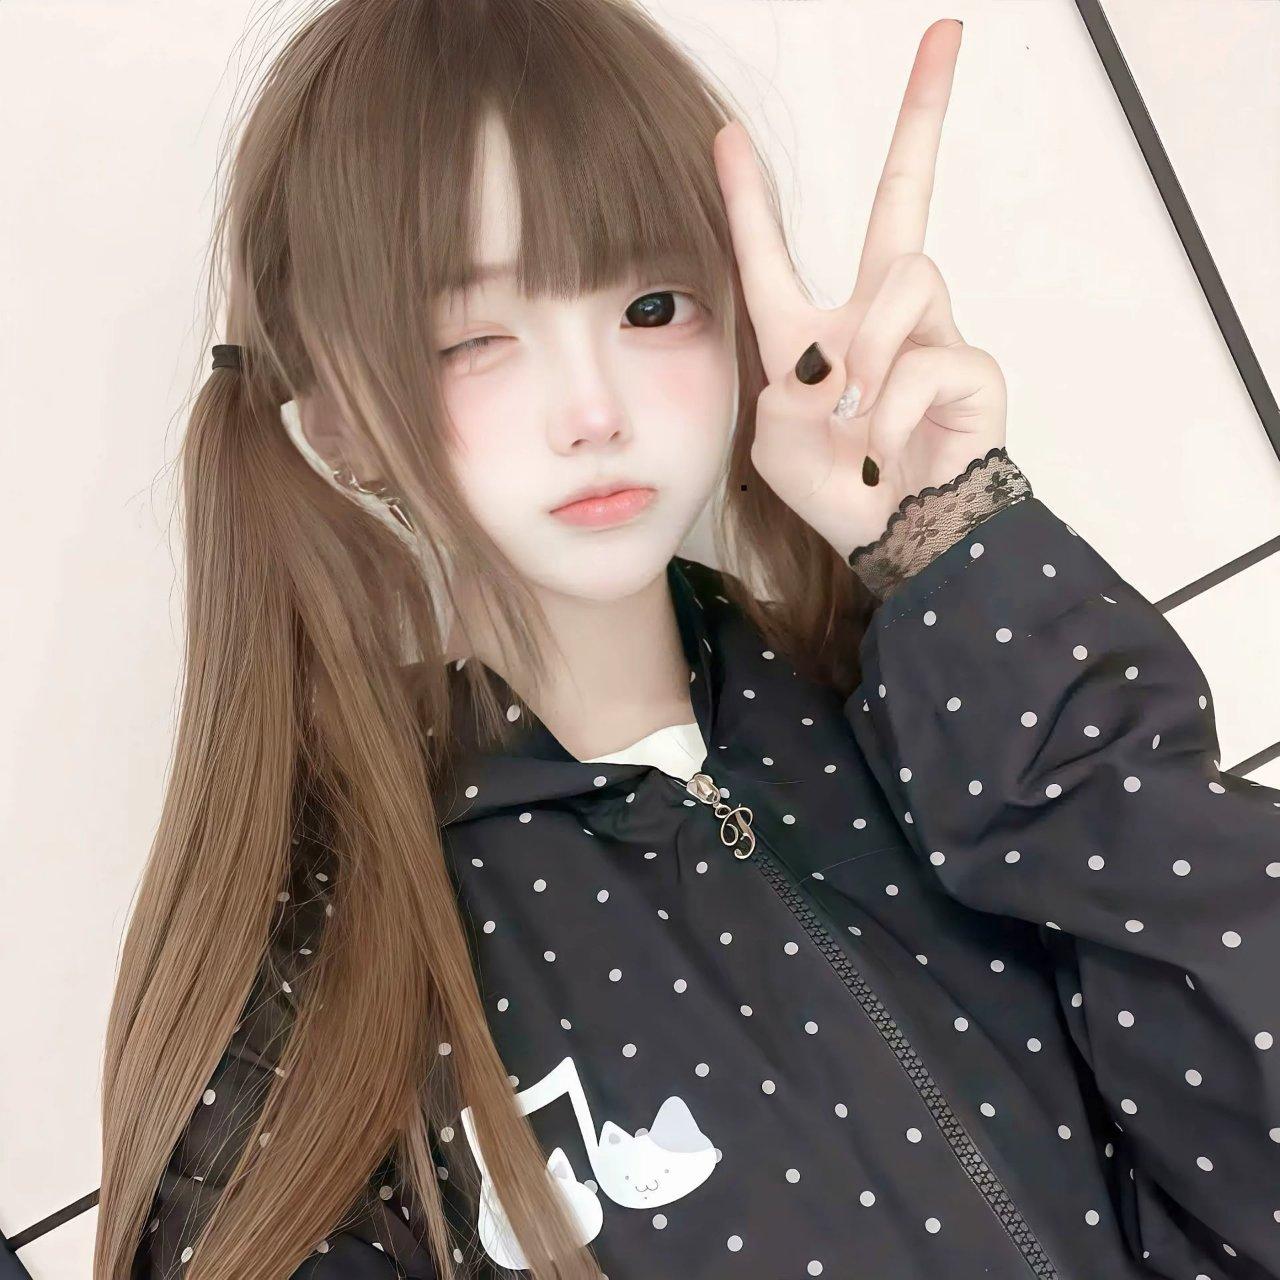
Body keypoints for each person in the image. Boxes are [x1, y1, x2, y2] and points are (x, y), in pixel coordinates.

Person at [94, 1, 1280, 1278]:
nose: (593, 408)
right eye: (472, 339)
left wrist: (953, 548)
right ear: (335, 425)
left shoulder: (939, 707)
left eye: (651, 305)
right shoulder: (323, 964)